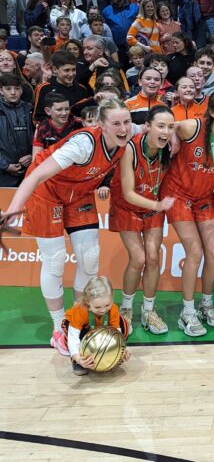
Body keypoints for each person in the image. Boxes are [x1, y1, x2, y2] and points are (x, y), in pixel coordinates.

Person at [0, 99, 131, 354]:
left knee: (90, 258)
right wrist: (13, 210)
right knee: (55, 260)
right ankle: (58, 327)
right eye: (116, 123)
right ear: (101, 125)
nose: (123, 127)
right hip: (45, 193)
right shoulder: (83, 145)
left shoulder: (125, 140)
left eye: (126, 122)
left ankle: (77, 317)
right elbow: (36, 174)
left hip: (79, 196)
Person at [158, 90, 214, 337]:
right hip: (178, 195)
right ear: (212, 112)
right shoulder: (192, 127)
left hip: (204, 197)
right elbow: (168, 125)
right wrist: (172, 136)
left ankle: (206, 304)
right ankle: (187, 312)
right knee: (195, 251)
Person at [110, 107, 176, 336]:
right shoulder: (130, 148)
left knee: (153, 257)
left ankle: (148, 311)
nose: (166, 131)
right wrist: (158, 205)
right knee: (138, 259)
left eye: (170, 127)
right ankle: (126, 309)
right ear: (147, 126)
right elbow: (127, 193)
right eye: (161, 125)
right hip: (128, 207)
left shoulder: (168, 148)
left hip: (152, 209)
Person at [63, 276, 130, 376]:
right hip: (84, 330)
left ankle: (113, 355)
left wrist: (122, 350)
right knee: (71, 336)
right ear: (87, 302)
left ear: (112, 299)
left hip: (101, 328)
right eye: (98, 307)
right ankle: (79, 361)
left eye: (107, 305)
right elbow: (73, 337)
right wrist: (77, 357)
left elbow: (117, 332)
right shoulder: (81, 310)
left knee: (123, 325)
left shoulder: (113, 309)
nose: (103, 310)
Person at [0, 73, 33, 186]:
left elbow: (39, 138)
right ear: (1, 90)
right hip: (3, 173)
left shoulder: (30, 109)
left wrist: (32, 155)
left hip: (29, 170)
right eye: (8, 89)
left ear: (22, 90)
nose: (13, 92)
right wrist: (5, 165)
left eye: (17, 88)